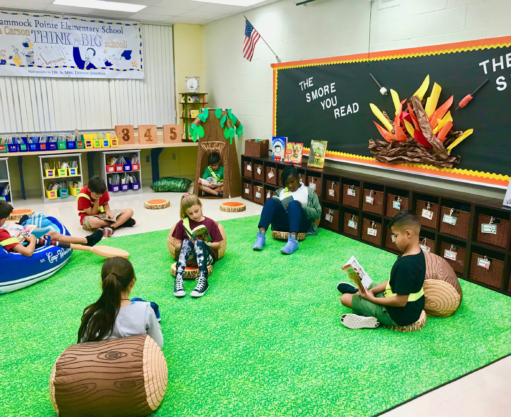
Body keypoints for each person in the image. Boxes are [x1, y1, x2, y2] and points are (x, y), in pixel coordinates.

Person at [338, 210, 426, 330]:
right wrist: (372, 291)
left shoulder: (406, 265)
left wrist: (373, 299)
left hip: (398, 315)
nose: (393, 240)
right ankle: (359, 293)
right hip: (412, 307)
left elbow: (400, 301)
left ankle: (364, 308)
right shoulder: (418, 254)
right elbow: (393, 282)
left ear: (408, 234)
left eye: (396, 235)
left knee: (344, 299)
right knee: (368, 285)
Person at [77, 257, 163, 348]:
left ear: (103, 284)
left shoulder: (90, 313)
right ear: (132, 282)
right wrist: (156, 324)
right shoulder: (146, 311)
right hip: (136, 356)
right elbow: (158, 345)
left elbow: (86, 345)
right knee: (146, 305)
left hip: (103, 356)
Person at [253, 165, 321, 255]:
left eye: (292, 182)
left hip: (300, 225)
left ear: (299, 178)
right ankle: (260, 237)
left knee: (294, 204)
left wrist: (302, 206)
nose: (290, 185)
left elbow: (318, 213)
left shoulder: (308, 191)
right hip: (282, 223)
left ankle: (293, 241)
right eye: (287, 183)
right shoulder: (280, 191)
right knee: (270, 202)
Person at [0, 200, 103, 257]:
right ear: (2, 219)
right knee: (53, 234)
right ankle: (87, 240)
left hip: (10, 242)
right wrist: (33, 240)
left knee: (24, 220)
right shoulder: (2, 233)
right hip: (20, 248)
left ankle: (22, 222)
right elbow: (28, 252)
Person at [171, 194, 224, 298]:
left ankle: (203, 280)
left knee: (199, 242)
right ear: (186, 212)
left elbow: (218, 244)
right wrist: (190, 242)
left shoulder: (210, 222)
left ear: (201, 206)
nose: (194, 215)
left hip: (206, 258)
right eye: (190, 213)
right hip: (189, 259)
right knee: (186, 242)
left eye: (196, 211)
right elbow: (176, 245)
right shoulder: (182, 223)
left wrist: (205, 243)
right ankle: (178, 279)